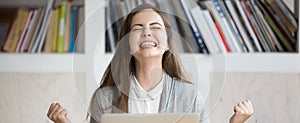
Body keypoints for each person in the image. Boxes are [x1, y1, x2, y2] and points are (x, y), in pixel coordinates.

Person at [47, 4, 254, 123]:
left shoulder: (189, 96)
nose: (146, 31)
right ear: (127, 44)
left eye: (155, 27)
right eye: (137, 28)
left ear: (166, 43)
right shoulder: (105, 99)